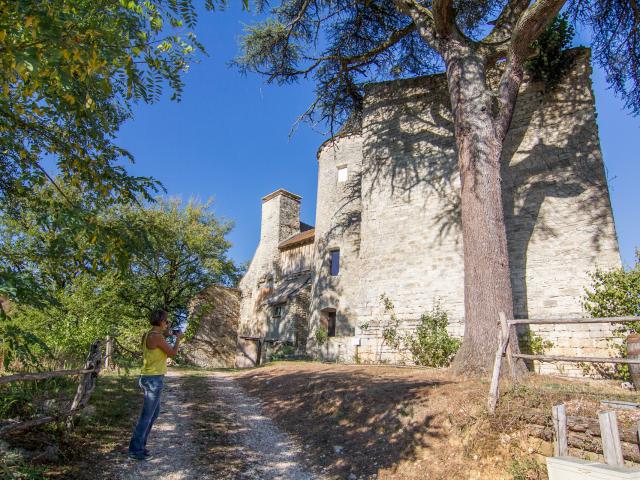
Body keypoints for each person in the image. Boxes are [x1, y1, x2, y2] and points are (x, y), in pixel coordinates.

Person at [128, 309, 183, 460]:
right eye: (166, 321)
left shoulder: (148, 334)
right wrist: (178, 338)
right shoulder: (157, 337)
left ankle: (140, 445)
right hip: (153, 379)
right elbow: (172, 353)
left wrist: (170, 333)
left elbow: (160, 338)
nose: (168, 323)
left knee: (153, 414)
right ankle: (135, 450)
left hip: (147, 377)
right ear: (160, 322)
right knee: (146, 417)